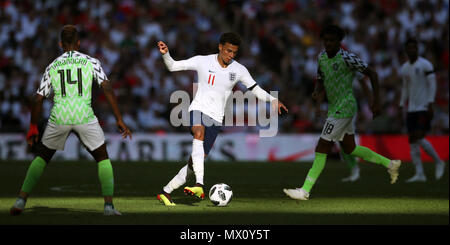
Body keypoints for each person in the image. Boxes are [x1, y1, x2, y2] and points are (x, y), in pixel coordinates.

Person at [10, 25, 132, 216]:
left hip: (60, 115)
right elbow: (107, 88)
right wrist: (119, 119)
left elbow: (38, 99)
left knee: (42, 157)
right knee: (102, 158)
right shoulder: (91, 62)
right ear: (78, 43)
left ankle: (20, 201)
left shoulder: (52, 66)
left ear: (60, 44)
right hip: (84, 115)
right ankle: (108, 207)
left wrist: (33, 127)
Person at [156, 32, 288, 206]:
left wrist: (272, 99)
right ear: (220, 47)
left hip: (216, 118)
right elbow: (173, 66)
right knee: (198, 130)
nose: (230, 55)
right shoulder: (203, 61)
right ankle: (199, 184)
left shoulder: (239, 69)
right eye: (228, 51)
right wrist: (166, 54)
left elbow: (255, 88)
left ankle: (166, 191)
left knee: (195, 162)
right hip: (198, 108)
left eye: (234, 52)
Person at [283, 25, 401, 200]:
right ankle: (390, 164)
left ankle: (304, 190)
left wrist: (376, 102)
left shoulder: (347, 58)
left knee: (322, 147)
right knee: (350, 148)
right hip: (334, 107)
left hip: (344, 107)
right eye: (326, 40)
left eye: (332, 40)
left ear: (339, 42)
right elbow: (320, 79)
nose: (328, 43)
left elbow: (373, 74)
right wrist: (317, 92)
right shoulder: (321, 58)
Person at [399, 38, 446, 182]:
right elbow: (405, 87)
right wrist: (401, 103)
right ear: (406, 50)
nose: (412, 50)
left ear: (417, 49)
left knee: (418, 136)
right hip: (411, 108)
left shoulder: (425, 64)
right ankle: (420, 174)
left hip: (423, 106)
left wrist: (430, 103)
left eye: (414, 48)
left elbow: (432, 84)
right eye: (409, 48)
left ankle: (439, 161)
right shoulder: (405, 68)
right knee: (412, 140)